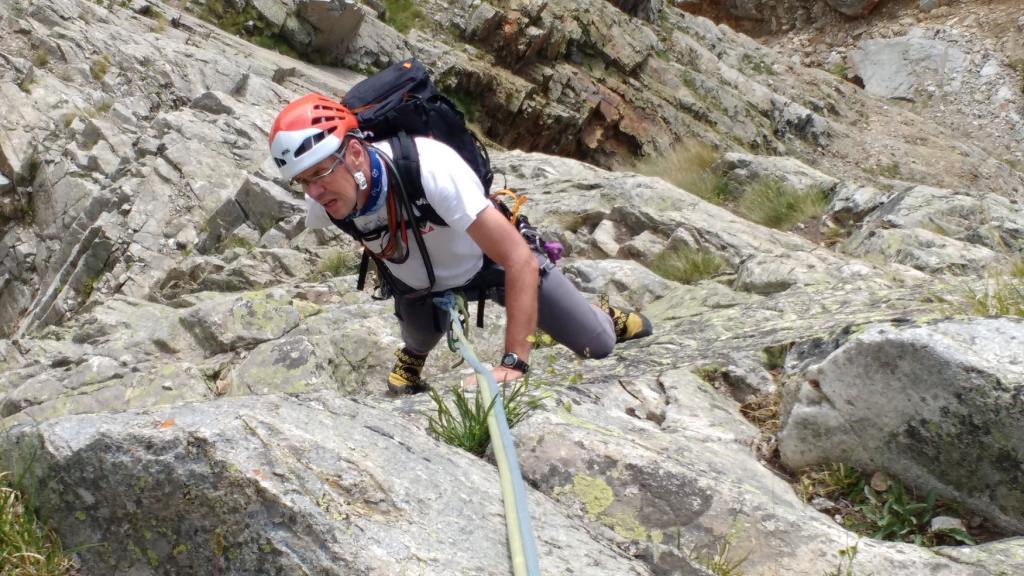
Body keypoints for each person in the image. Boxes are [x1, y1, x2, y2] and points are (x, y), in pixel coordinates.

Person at [268, 93, 653, 395]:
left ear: (353, 152)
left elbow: (518, 259)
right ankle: (414, 354)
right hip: (421, 285)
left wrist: (513, 363)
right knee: (418, 334)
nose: (314, 192)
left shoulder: (430, 168)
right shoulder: (324, 203)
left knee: (598, 344)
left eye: (320, 173)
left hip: (492, 264)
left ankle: (599, 313)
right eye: (303, 181)